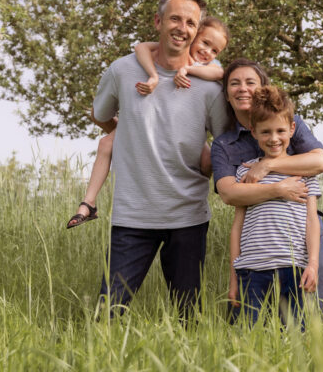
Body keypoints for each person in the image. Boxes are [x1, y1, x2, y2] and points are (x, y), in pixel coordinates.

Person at [90, 0, 231, 317]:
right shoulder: (123, 70)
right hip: (132, 214)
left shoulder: (210, 87)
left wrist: (211, 164)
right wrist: (128, 135)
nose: (183, 28)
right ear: (158, 21)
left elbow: (224, 142)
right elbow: (99, 113)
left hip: (188, 216)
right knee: (106, 315)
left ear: (197, 31)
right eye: (175, 19)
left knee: (189, 318)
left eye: (191, 23)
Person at [211, 58, 323, 315]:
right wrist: (278, 189)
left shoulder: (290, 121)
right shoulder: (224, 145)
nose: (243, 89)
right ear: (226, 94)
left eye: (250, 82)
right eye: (234, 83)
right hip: (257, 249)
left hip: (300, 235)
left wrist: (267, 167)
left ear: (262, 87)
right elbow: (229, 194)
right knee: (250, 321)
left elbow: (319, 161)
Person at [66, 16, 230, 229]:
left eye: (215, 50)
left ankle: (187, 194)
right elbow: (140, 47)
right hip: (145, 125)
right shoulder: (156, 54)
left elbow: (219, 72)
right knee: (106, 143)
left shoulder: (208, 69)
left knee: (207, 158)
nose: (208, 52)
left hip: (185, 143)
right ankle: (88, 203)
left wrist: (188, 70)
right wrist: (153, 75)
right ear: (193, 35)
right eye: (205, 43)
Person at [230, 85, 321, 326]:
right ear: (253, 132)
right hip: (251, 269)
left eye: (280, 130)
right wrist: (233, 278)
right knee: (249, 334)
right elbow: (237, 226)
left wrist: (313, 263)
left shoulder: (305, 173)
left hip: (294, 268)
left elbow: (312, 221)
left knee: (294, 334)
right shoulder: (245, 172)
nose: (273, 138)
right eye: (265, 132)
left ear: (292, 129)